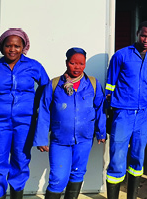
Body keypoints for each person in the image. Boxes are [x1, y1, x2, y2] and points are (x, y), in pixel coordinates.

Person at [0, 28, 49, 199]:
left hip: (24, 123)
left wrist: (34, 107)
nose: (12, 49)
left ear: (24, 47)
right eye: (8, 46)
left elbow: (45, 88)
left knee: (20, 161)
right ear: (2, 47)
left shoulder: (34, 66)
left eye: (17, 46)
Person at [33, 48, 106, 199]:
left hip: (84, 139)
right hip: (60, 140)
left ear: (85, 64)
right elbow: (44, 112)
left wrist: (101, 132)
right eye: (73, 63)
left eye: (81, 63)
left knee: (78, 173)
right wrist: (41, 139)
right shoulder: (54, 85)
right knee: (58, 178)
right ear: (66, 62)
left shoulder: (92, 84)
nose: (77, 67)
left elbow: (100, 109)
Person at [105, 21, 147, 199]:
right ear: (137, 34)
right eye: (143, 35)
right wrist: (109, 113)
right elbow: (110, 85)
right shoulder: (121, 55)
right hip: (123, 113)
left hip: (143, 114)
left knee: (138, 156)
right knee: (117, 158)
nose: (146, 39)